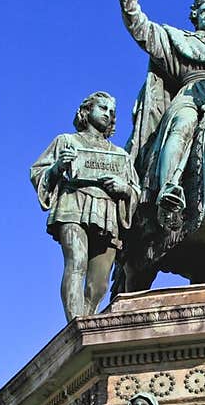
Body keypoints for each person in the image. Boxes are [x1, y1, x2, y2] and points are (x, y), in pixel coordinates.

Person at [118, 0, 205, 227]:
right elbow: (140, 27)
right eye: (203, 10)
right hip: (193, 95)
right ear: (195, 16)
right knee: (183, 124)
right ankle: (169, 187)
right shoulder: (177, 39)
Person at [30, 91, 139, 322]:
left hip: (108, 211)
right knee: (76, 261)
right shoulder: (66, 141)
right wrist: (58, 167)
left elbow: (135, 190)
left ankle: (86, 322)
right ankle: (74, 325)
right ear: (86, 111)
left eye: (112, 112)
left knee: (99, 283)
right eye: (102, 108)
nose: (108, 115)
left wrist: (125, 189)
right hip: (74, 204)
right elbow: (38, 172)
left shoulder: (121, 155)